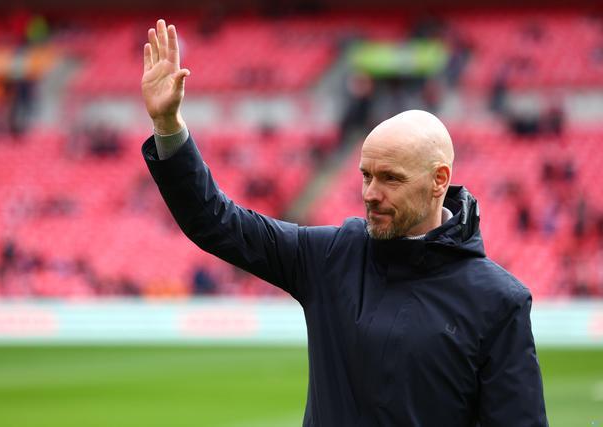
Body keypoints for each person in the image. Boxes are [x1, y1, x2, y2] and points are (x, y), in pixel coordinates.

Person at [140, 19, 548, 426]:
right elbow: (215, 221)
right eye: (366, 176)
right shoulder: (330, 257)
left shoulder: (498, 301)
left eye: (390, 178)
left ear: (439, 180)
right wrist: (168, 127)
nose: (371, 193)